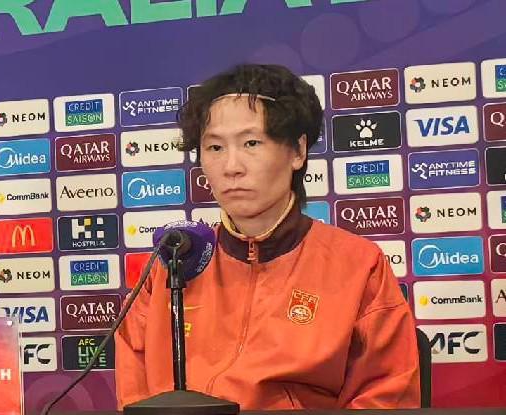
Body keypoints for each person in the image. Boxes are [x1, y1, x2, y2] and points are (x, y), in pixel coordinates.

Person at [115, 64, 420, 410]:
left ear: (297, 151)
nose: (231, 166)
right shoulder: (172, 262)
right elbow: (135, 393)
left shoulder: (358, 264)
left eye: (251, 143)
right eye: (214, 148)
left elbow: (386, 395)